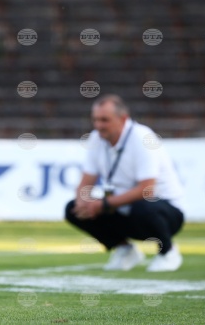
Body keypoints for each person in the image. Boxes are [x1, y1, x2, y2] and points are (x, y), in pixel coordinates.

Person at [65, 94, 185, 272]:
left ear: (123, 119)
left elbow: (147, 190)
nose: (98, 125)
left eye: (104, 120)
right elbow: (86, 181)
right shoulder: (96, 138)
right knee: (73, 209)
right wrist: (82, 201)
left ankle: (168, 251)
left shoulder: (142, 137)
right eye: (95, 120)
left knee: (143, 206)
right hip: (123, 208)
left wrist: (103, 204)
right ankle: (124, 249)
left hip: (164, 211)